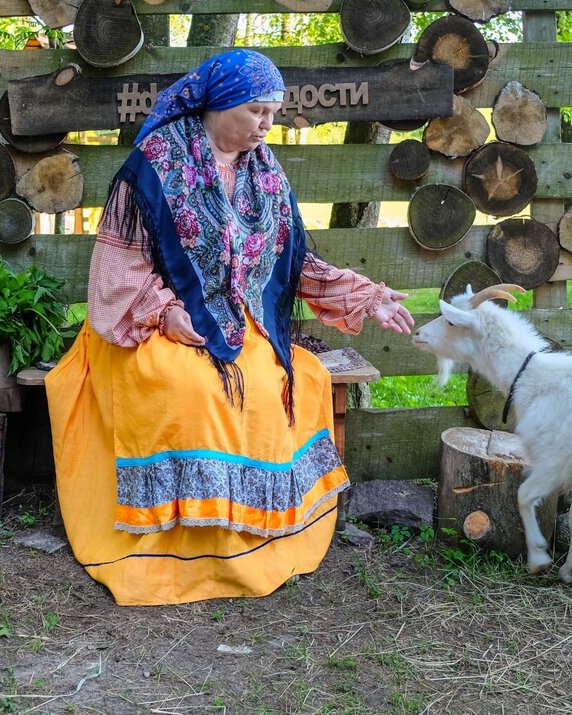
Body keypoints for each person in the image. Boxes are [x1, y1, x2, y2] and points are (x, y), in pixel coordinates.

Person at [45, 49, 415, 606]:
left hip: (239, 323)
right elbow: (118, 269)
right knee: (190, 388)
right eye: (257, 111)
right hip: (146, 324)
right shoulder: (155, 162)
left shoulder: (264, 172)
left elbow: (293, 263)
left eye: (274, 112)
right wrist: (165, 313)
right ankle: (177, 547)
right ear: (219, 105)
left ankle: (243, 541)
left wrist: (366, 295)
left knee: (279, 384)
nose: (267, 125)